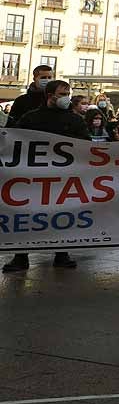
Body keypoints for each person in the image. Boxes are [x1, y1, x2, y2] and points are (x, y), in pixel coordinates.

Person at [3, 80, 88, 273]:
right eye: (63, 93)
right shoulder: (31, 118)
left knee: (62, 214)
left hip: (62, 177)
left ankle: (61, 254)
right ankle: (20, 256)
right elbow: (14, 141)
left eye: (68, 93)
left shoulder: (75, 120)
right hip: (32, 177)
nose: (67, 97)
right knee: (26, 214)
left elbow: (86, 145)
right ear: (50, 96)